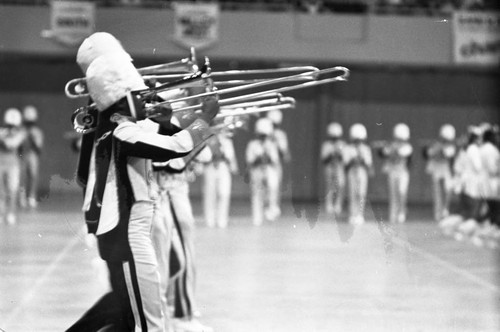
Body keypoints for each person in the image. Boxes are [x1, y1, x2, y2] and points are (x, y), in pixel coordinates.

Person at [66, 32, 219, 332]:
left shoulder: (114, 126)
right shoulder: (122, 130)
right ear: (120, 99)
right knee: (148, 324)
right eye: (136, 93)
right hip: (129, 235)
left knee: (123, 317)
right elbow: (174, 151)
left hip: (120, 233)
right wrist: (205, 120)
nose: (145, 96)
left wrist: (162, 122)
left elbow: (161, 146)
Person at [246, 117, 281, 226]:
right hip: (257, 171)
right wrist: (258, 157)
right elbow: (249, 161)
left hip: (269, 170)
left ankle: (271, 211)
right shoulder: (252, 145)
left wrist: (267, 154)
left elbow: (275, 161)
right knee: (257, 194)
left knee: (272, 189)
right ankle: (257, 218)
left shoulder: (271, 145)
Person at [376, 123, 413, 224]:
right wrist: (385, 147)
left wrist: (392, 148)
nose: (400, 141)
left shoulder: (408, 147)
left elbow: (400, 154)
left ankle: (402, 211)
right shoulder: (391, 145)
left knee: (402, 192)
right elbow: (382, 153)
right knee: (393, 194)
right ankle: (393, 214)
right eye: (398, 139)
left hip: (403, 173)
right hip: (392, 172)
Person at [202, 126, 238, 228]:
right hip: (210, 166)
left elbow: (231, 157)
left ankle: (222, 219)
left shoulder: (226, 141)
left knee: (224, 193)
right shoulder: (207, 140)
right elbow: (203, 155)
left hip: (223, 167)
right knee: (210, 193)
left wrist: (231, 163)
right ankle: (210, 220)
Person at [423, 124, 457, 221]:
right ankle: (438, 214)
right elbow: (429, 154)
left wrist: (443, 148)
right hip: (436, 168)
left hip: (445, 168)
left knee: (448, 189)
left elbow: (448, 155)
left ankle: (445, 209)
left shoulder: (451, 146)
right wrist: (437, 147)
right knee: (437, 192)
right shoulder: (436, 144)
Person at [0, 108, 26, 225]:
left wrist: (4, 137)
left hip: (13, 165)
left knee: (12, 190)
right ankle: (1, 214)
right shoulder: (2, 131)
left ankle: (10, 213)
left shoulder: (21, 133)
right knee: (1, 191)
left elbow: (12, 144)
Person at [344, 123, 373, 225]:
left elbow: (368, 164)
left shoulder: (365, 149)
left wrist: (361, 158)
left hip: (362, 172)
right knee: (352, 193)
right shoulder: (347, 148)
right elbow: (346, 165)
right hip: (352, 172)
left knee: (361, 193)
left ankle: (360, 215)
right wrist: (353, 160)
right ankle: (352, 214)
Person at [18, 105, 44, 208]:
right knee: (22, 176)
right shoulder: (20, 130)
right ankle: (22, 197)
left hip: (32, 155)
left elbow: (39, 148)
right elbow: (17, 146)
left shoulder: (37, 131)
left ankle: (32, 197)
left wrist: (33, 137)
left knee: (33, 175)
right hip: (22, 154)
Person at [320, 122, 347, 217]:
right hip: (329, 168)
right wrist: (331, 154)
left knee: (340, 185)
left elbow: (345, 158)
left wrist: (339, 154)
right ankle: (329, 205)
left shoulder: (343, 144)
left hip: (339, 168)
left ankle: (338, 205)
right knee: (329, 187)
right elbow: (323, 159)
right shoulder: (326, 145)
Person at [267, 109, 290, 214]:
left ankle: (274, 207)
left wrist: (276, 141)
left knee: (275, 187)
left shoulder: (281, 135)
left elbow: (285, 154)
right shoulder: (263, 133)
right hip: (264, 164)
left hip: (275, 164)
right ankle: (265, 208)